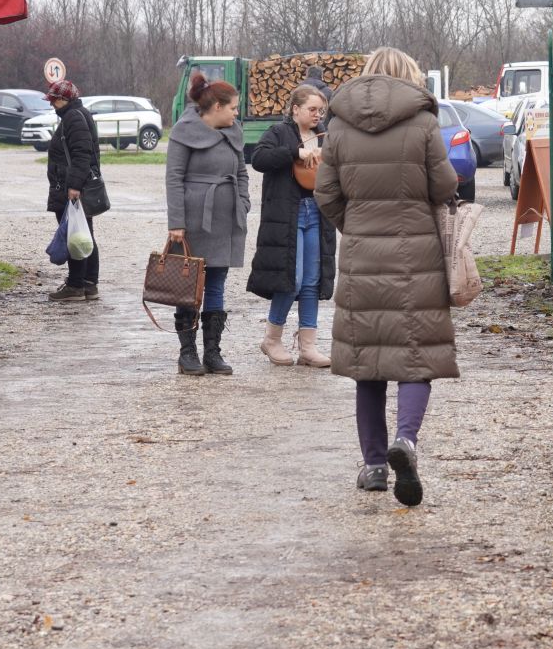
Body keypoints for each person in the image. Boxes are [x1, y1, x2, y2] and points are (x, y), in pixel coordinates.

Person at [315, 46, 459, 507]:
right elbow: (445, 186)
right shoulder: (422, 123)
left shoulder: (337, 126)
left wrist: (355, 226)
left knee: (368, 363)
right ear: (409, 77)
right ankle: (407, 441)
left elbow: (327, 194)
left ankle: (375, 464)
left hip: (361, 255)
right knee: (416, 356)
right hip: (417, 252)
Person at [246, 85, 336, 368]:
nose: (317, 115)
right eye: (312, 109)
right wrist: (295, 153)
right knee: (291, 278)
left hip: (317, 214)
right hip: (287, 216)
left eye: (320, 110)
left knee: (312, 281)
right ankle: (272, 339)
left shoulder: (324, 137)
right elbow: (258, 159)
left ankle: (308, 346)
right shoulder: (278, 132)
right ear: (295, 109)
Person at [166, 72, 249, 376]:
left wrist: (243, 202)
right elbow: (173, 178)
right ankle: (187, 353)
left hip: (226, 219)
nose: (236, 113)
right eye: (233, 108)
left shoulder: (233, 132)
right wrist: (176, 221)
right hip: (193, 221)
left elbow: (241, 172)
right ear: (216, 107)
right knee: (188, 286)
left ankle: (212, 353)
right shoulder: (183, 131)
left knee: (216, 284)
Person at [44, 79, 101, 303]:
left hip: (74, 189)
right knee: (84, 235)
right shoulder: (77, 114)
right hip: (77, 187)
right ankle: (89, 284)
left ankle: (76, 285)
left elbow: (82, 154)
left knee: (74, 236)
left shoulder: (74, 118)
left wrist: (74, 186)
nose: (51, 104)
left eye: (53, 100)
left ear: (64, 99)